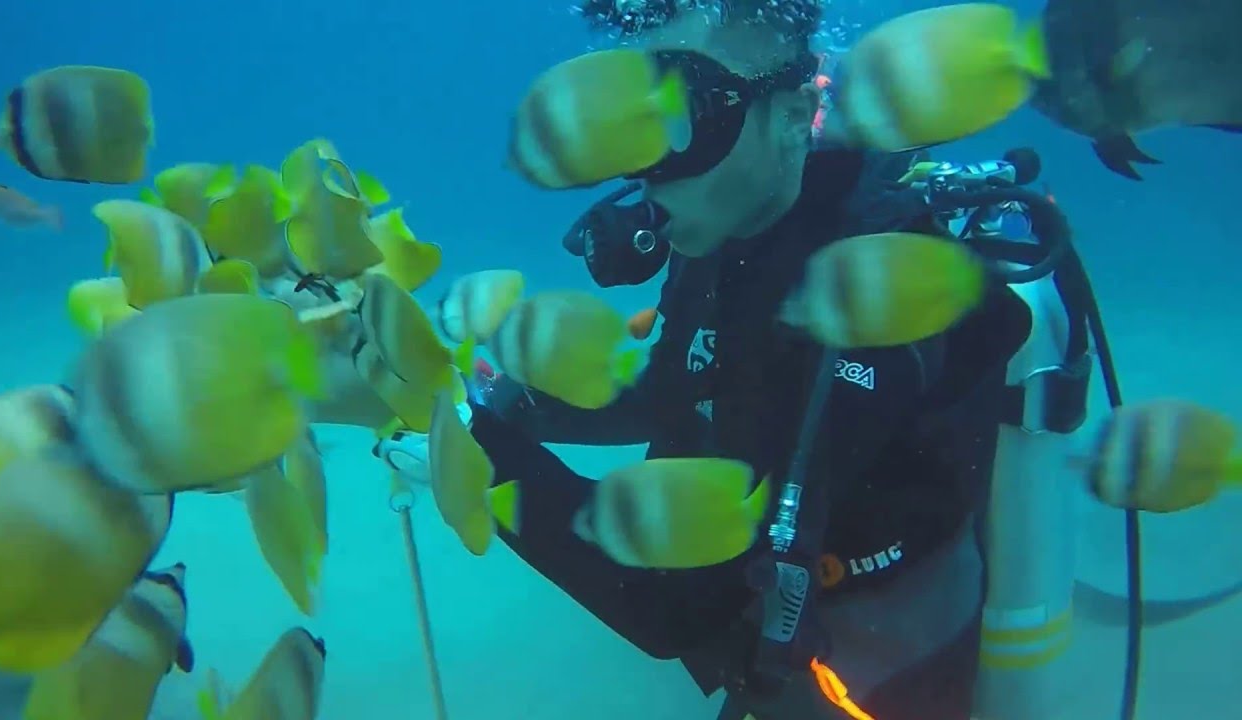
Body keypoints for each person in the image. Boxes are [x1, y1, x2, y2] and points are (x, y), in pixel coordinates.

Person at [382, 7, 1078, 720]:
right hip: (766, 621)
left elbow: (671, 604)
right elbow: (681, 387)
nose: (646, 163)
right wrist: (509, 403)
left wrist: (469, 443)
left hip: (868, 673)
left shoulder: (862, 302)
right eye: (631, 121)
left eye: (685, 112)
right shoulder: (730, 225)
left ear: (793, 112)